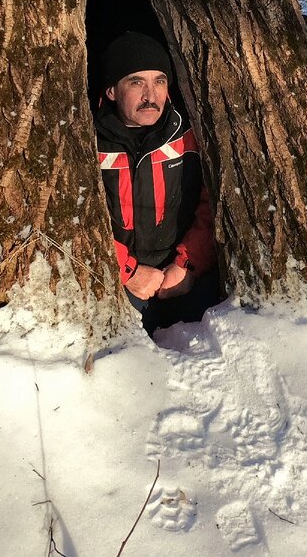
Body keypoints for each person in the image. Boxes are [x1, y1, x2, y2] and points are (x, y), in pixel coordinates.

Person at [94, 31, 219, 334]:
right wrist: (127, 270)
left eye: (159, 81)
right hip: (121, 279)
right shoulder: (89, 141)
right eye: (137, 82)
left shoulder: (189, 135)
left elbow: (215, 203)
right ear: (112, 90)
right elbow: (76, 220)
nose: (151, 95)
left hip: (182, 272)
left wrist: (188, 263)